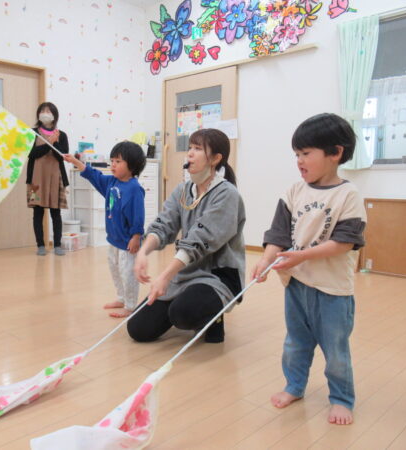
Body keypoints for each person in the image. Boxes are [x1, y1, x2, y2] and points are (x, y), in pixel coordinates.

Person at [251, 113, 366, 426]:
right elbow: (278, 234)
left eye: (306, 153)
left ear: (335, 152)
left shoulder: (348, 195)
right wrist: (265, 260)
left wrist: (301, 256)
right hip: (297, 285)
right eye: (296, 155)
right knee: (295, 343)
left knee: (336, 350)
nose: (299, 161)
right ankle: (294, 386)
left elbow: (344, 242)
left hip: (333, 291)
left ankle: (341, 399)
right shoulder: (294, 191)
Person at [127, 128, 245, 344]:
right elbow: (163, 225)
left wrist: (165, 276)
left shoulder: (227, 194)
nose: (189, 153)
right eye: (190, 147)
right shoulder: (182, 190)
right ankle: (189, 301)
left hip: (218, 276)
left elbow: (200, 239)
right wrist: (143, 252)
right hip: (186, 273)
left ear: (216, 159)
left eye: (198, 149)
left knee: (182, 313)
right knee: (138, 329)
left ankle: (214, 317)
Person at [64, 142, 146, 318]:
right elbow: (94, 175)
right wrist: (76, 162)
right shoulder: (111, 182)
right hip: (114, 239)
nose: (113, 165)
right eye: (112, 160)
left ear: (132, 166)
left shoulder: (134, 189)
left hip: (127, 242)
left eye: (118, 161)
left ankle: (130, 305)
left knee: (127, 273)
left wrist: (136, 236)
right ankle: (121, 298)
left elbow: (138, 216)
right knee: (115, 269)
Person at [26, 102, 70, 256]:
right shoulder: (32, 133)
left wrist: (55, 142)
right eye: (42, 111)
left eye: (48, 111)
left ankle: (57, 245)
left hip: (56, 179)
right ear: (38, 114)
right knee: (38, 213)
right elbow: (32, 154)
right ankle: (40, 245)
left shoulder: (61, 135)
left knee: (55, 213)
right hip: (36, 180)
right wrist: (49, 143)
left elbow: (62, 156)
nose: (45, 113)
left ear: (54, 115)